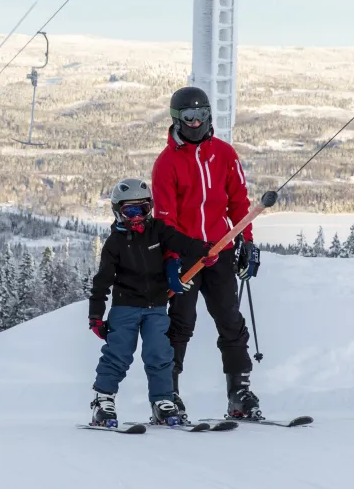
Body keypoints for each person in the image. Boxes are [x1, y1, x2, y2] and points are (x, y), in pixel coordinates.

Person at [151, 86, 262, 421]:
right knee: (181, 322)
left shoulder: (225, 155)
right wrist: (171, 259)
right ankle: (167, 394)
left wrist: (247, 242)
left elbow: (239, 203)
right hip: (186, 255)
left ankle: (239, 392)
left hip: (221, 249)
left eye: (201, 115)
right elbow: (165, 220)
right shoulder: (166, 163)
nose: (196, 122)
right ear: (176, 120)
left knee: (230, 319)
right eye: (188, 116)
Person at [87, 177, 214, 428]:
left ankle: (162, 402)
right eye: (130, 211)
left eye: (142, 210)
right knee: (118, 355)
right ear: (118, 211)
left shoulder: (159, 230)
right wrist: (96, 316)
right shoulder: (115, 243)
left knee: (159, 354)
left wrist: (204, 250)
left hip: (156, 307)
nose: (137, 217)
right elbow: (102, 282)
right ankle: (103, 401)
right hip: (124, 308)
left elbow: (182, 242)